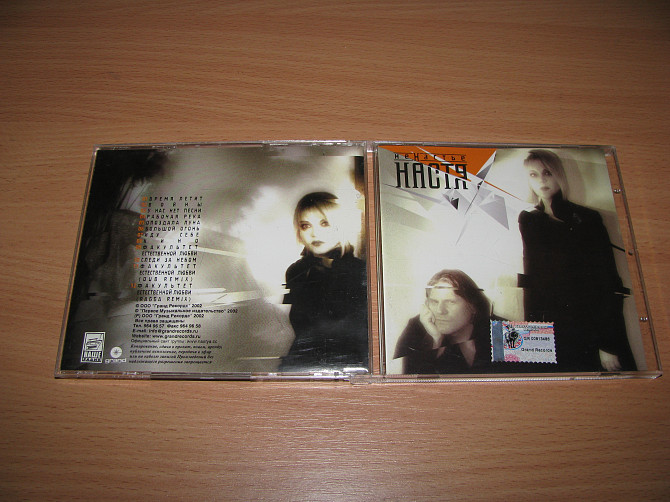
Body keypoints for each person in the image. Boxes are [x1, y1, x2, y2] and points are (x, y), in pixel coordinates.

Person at [518, 149, 636, 372]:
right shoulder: (529, 220)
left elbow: (608, 281)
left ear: (558, 174)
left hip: (592, 322)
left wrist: (608, 343)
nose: (542, 180)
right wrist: (531, 339)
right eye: (533, 174)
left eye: (547, 172)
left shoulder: (588, 218)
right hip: (553, 325)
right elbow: (531, 281)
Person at [280, 192, 368, 372]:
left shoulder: (360, 271)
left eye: (324, 223)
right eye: (305, 225)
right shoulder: (296, 272)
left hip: (351, 369)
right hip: (302, 368)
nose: (314, 233)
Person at [394, 269, 493, 374]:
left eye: (450, 302)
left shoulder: (500, 329)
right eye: (434, 302)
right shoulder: (416, 329)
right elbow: (411, 381)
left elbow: (502, 376)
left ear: (473, 306)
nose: (440, 311)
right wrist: (436, 341)